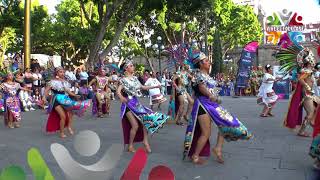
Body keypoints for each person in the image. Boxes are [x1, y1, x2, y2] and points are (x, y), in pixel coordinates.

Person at [182, 52, 252, 165]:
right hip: (203, 105)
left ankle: (218, 148)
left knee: (225, 123)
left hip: (212, 105)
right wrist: (210, 95)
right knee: (206, 133)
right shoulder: (199, 75)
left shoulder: (207, 76)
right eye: (206, 61)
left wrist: (214, 95)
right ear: (200, 64)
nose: (209, 62)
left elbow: (209, 89)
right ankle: (195, 156)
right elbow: (202, 87)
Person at [116, 60, 169, 153]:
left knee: (146, 120)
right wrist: (121, 97)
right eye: (131, 66)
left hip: (136, 103)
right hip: (127, 104)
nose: (133, 67)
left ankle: (145, 141)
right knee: (135, 126)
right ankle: (130, 146)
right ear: (126, 68)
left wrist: (155, 86)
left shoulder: (135, 79)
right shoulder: (123, 80)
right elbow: (118, 90)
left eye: (132, 65)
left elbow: (143, 87)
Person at [276, 47, 320, 137]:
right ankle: (302, 131)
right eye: (312, 59)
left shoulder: (310, 71)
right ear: (309, 62)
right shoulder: (306, 71)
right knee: (310, 113)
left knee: (317, 109)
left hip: (312, 95)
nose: (313, 61)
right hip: (307, 96)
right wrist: (307, 87)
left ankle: (312, 123)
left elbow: (315, 83)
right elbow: (300, 79)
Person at [43, 67, 91, 138]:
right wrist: (44, 97)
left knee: (71, 113)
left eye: (63, 72)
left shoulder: (65, 82)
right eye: (60, 72)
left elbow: (68, 92)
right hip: (56, 100)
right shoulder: (52, 82)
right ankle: (62, 132)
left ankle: (69, 126)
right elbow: (46, 90)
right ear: (57, 73)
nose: (62, 73)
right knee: (63, 116)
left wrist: (75, 95)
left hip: (64, 99)